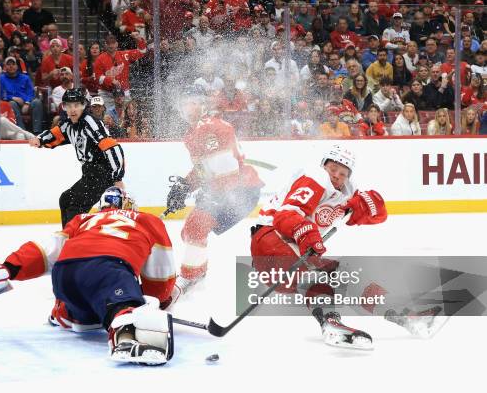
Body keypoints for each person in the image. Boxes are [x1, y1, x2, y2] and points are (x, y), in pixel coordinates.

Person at [0, 186, 177, 365]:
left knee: (87, 321)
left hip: (64, 275)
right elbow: (160, 278)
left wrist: (8, 268)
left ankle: (67, 312)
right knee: (124, 308)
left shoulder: (83, 220)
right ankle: (127, 330)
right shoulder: (146, 219)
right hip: (109, 269)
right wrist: (151, 300)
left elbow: (46, 250)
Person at [250, 145, 387, 349]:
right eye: (332, 169)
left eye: (342, 173)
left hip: (289, 253)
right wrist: (307, 233)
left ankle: (401, 312)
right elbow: (285, 216)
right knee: (318, 274)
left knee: (342, 274)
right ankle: (330, 324)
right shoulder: (314, 179)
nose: (336, 176)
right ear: (323, 166)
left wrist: (366, 203)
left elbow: (380, 215)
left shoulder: (347, 193)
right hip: (270, 242)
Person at [164, 88, 263, 302]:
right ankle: (197, 274)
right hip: (228, 189)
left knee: (196, 226)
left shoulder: (210, 126)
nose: (187, 107)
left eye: (192, 102)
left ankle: (191, 276)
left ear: (202, 104)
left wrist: (215, 196)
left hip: (240, 190)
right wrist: (184, 187)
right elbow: (205, 170)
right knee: (189, 232)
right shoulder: (192, 134)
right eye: (184, 103)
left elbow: (226, 166)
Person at [28, 88, 125, 227]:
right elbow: (55, 134)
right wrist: (40, 139)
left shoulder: (91, 123)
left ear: (83, 106)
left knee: (76, 206)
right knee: (66, 199)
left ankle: (73, 240)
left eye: (76, 105)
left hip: (102, 174)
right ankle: (70, 237)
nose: (73, 109)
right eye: (69, 105)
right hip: (89, 174)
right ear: (64, 107)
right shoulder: (68, 124)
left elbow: (112, 147)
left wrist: (117, 178)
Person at [93, 33, 147, 109]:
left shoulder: (125, 55)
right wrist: (111, 80)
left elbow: (142, 52)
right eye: (108, 43)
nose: (111, 46)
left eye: (113, 43)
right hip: (106, 93)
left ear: (117, 44)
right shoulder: (99, 59)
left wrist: (138, 40)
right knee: (108, 117)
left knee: (127, 116)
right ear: (105, 45)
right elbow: (97, 78)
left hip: (124, 92)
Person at [0, 56, 44, 134]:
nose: (11, 66)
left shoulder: (25, 78)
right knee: (11, 104)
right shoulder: (1, 78)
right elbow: (1, 95)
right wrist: (13, 98)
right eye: (8, 64)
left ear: (17, 66)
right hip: (12, 102)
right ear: (5, 67)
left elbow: (31, 92)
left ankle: (37, 131)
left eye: (13, 64)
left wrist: (27, 102)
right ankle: (22, 131)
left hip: (26, 103)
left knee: (37, 102)